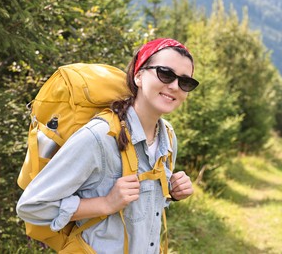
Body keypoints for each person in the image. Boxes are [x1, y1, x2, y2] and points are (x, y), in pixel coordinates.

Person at [16, 38, 198, 253]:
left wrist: (171, 193)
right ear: (138, 75)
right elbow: (31, 207)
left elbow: (143, 208)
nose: (175, 86)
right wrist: (105, 204)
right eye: (165, 74)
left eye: (185, 82)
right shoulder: (98, 137)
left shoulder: (167, 136)